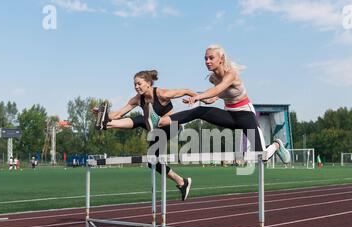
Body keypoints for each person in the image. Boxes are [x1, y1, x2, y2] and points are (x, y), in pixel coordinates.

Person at [154, 44, 290, 164]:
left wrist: (198, 96)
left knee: (262, 156)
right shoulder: (213, 78)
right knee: (199, 111)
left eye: (211, 58)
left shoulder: (231, 74)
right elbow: (212, 98)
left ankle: (277, 145)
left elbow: (218, 89)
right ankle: (165, 120)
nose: (207, 61)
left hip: (245, 115)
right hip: (229, 115)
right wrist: (194, 96)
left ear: (221, 59)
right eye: (205, 58)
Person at [94, 70, 195, 201]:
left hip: (172, 126)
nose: (136, 87)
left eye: (139, 84)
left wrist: (200, 97)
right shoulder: (137, 99)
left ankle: (150, 118)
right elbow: (118, 113)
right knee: (152, 160)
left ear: (148, 83)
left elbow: (186, 90)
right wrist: (104, 115)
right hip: (155, 129)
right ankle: (182, 182)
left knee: (141, 118)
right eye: (134, 85)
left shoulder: (162, 93)